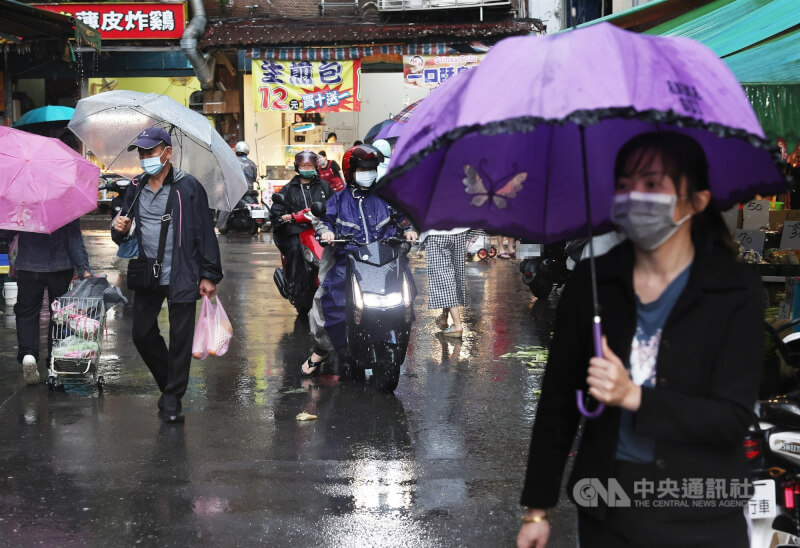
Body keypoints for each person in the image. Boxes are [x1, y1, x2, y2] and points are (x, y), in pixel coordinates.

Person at [518, 132, 763, 548]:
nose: (634, 197)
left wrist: (634, 396)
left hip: (703, 512)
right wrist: (538, 509)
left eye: (652, 185)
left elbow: (731, 420)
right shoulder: (593, 283)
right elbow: (558, 402)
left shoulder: (735, 291)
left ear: (698, 200)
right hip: (610, 509)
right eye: (624, 185)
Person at [111, 126, 222, 424]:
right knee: (142, 333)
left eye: (151, 152)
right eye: (142, 153)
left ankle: (173, 399)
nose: (146, 158)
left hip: (183, 272)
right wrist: (118, 230)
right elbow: (124, 225)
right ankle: (169, 386)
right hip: (148, 272)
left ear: (167, 153)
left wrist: (209, 274)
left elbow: (204, 233)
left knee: (180, 338)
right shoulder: (135, 186)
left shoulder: (189, 188)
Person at [303, 144, 418, 376]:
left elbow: (402, 217)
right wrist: (326, 232)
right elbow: (324, 220)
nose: (369, 173)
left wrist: (409, 229)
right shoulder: (338, 200)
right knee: (326, 303)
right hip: (349, 262)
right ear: (350, 172)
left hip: (385, 260)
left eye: (372, 169)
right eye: (363, 169)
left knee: (406, 295)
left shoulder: (387, 197)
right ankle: (322, 349)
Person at [13, 221, 92, 385]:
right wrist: (83, 268)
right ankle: (54, 364)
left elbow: (6, 232)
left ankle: (29, 355)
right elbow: (74, 237)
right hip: (60, 266)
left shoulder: (24, 200)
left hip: (29, 265)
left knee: (26, 313)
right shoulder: (65, 199)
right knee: (60, 316)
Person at [269, 150, 332, 297]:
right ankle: (294, 287)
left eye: (310, 165)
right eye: (303, 165)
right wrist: (283, 217)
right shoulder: (289, 189)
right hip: (295, 230)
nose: (307, 168)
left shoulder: (324, 187)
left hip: (321, 229)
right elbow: (277, 210)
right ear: (297, 167)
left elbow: (335, 204)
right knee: (295, 249)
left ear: (316, 166)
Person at [422, 228, 469, 338]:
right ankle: (444, 317)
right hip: (460, 230)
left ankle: (457, 325)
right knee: (455, 275)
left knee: (444, 277)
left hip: (438, 231)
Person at [216, 141, 258, 231]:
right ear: (247, 151)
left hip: (235, 191)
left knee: (226, 207)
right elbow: (254, 178)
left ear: (236, 150)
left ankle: (220, 226)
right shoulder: (252, 164)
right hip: (249, 191)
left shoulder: (231, 162)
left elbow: (226, 176)